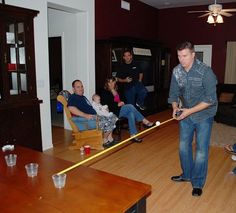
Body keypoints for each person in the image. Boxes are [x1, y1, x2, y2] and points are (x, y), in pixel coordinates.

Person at [168, 41, 218, 197]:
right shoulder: (176, 71)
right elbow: (173, 94)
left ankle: (197, 183)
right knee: (184, 147)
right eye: (179, 56)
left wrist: (189, 111)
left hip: (204, 114)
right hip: (185, 113)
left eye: (185, 56)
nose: (181, 59)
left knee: (201, 150)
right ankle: (187, 174)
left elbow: (211, 99)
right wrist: (175, 108)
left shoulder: (206, 72)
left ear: (193, 54)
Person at [101, 77, 154, 143]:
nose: (111, 84)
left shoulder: (118, 90)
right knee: (130, 107)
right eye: (109, 82)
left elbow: (124, 100)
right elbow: (105, 106)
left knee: (131, 113)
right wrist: (117, 105)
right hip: (112, 112)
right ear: (107, 83)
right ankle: (145, 122)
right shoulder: (105, 92)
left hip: (121, 110)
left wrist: (122, 102)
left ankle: (133, 135)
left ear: (115, 82)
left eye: (113, 82)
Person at [67, 80, 116, 148]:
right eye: (78, 87)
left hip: (95, 116)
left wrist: (102, 109)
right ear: (73, 89)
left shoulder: (82, 97)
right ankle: (104, 140)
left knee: (113, 117)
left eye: (81, 86)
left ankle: (109, 139)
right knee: (109, 120)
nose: (81, 88)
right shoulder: (73, 97)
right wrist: (85, 115)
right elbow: (71, 108)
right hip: (89, 120)